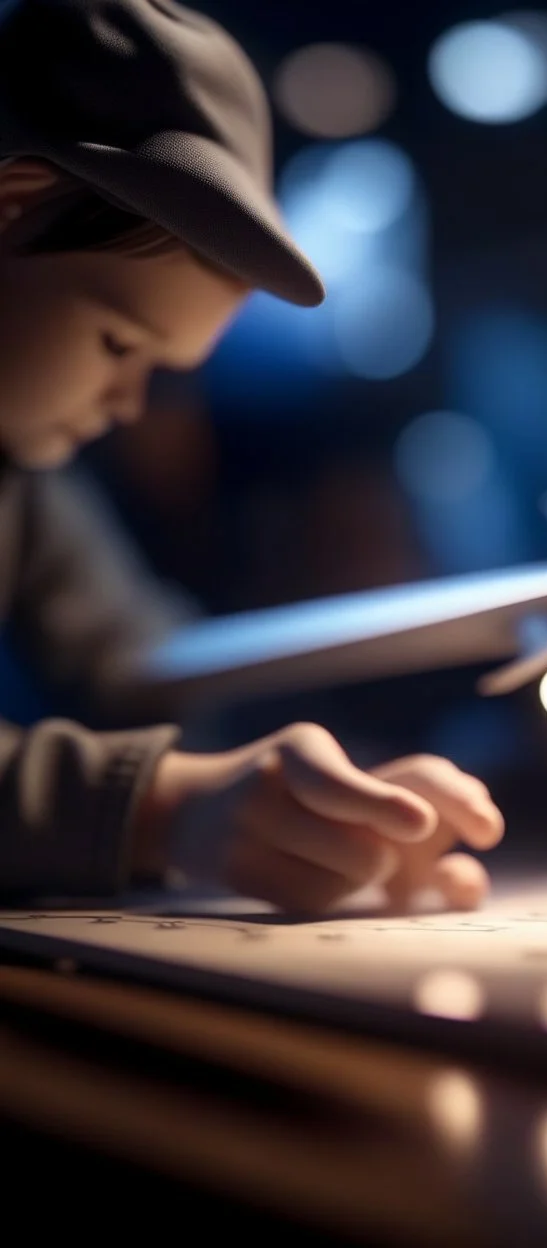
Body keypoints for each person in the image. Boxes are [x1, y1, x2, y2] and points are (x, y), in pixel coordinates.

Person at [0, 0, 504, 912]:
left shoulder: (22, 480)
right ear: (16, 204)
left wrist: (328, 801)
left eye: (163, 371)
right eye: (119, 343)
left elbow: (146, 665)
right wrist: (164, 807)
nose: (127, 406)